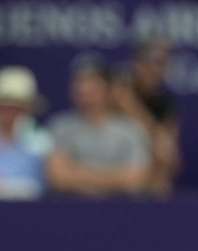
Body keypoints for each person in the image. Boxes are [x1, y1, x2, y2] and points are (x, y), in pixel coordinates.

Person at [46, 57, 150, 196]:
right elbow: (59, 176)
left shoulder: (130, 130)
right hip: (70, 210)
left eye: (92, 82)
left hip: (119, 211)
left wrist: (78, 173)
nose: (84, 88)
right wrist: (115, 176)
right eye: (79, 82)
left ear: (108, 88)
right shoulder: (60, 127)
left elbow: (136, 178)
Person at [112, 37, 180, 195]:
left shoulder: (165, 104)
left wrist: (130, 106)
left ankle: (155, 211)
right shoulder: (115, 91)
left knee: (163, 158)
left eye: (161, 64)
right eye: (148, 63)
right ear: (135, 63)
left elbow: (169, 152)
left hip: (143, 166)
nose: (154, 70)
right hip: (112, 159)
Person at [0, 66, 51, 200]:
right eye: (4, 107)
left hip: (29, 212)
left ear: (27, 108)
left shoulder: (41, 137)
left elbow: (42, 184)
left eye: (15, 108)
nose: (8, 114)